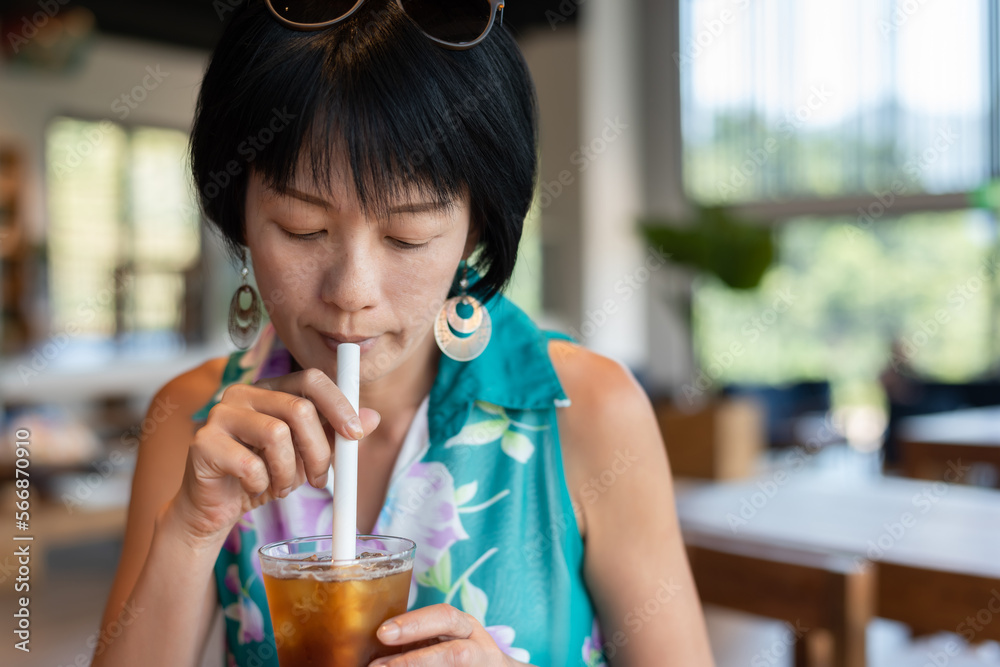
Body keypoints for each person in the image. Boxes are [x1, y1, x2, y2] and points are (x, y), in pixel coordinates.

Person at [93, 1, 714, 665]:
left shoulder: (586, 413)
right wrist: (191, 527)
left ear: (476, 225)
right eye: (303, 229)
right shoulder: (195, 424)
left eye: (407, 235)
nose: (352, 291)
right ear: (239, 212)